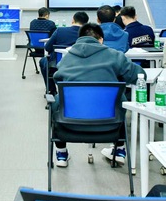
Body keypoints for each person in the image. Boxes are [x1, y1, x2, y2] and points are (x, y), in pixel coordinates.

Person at [51, 23, 145, 167]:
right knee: (118, 100)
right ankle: (119, 150)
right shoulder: (115, 55)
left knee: (57, 102)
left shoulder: (66, 59)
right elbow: (139, 76)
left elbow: (57, 80)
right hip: (109, 123)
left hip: (70, 123)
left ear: (79, 39)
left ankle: (61, 154)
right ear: (101, 39)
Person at [39, 11, 90, 93]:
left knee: (43, 61)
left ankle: (51, 90)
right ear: (86, 23)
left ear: (73, 20)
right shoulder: (88, 35)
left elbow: (47, 47)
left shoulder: (60, 31)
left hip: (57, 65)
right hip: (81, 66)